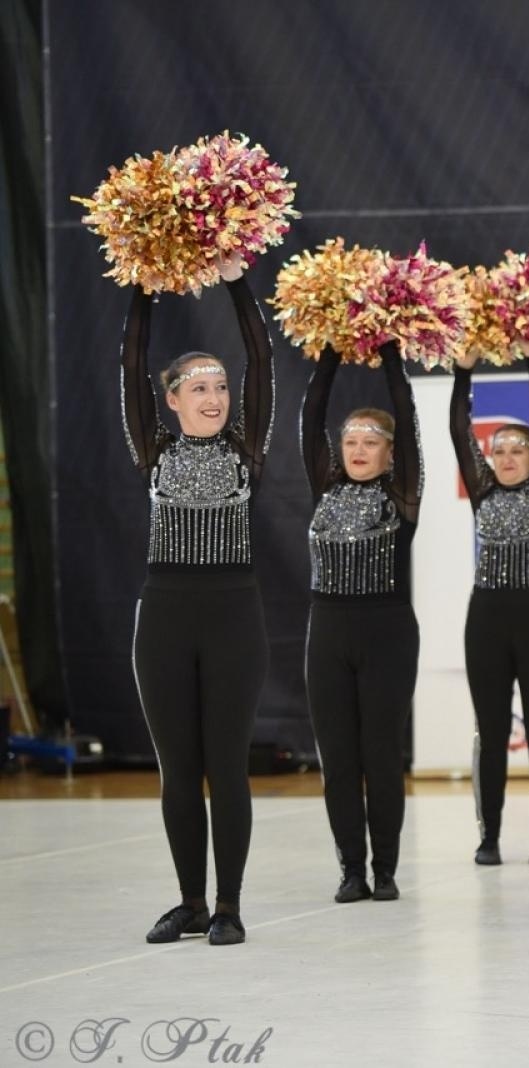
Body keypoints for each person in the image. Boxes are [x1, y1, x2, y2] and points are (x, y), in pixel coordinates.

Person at [124, 254, 272, 947]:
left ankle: (230, 905)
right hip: (164, 618)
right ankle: (188, 900)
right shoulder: (153, 450)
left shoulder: (248, 450)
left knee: (226, 764)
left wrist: (235, 270)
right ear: (173, 401)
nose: (213, 396)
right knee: (178, 767)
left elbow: (261, 355)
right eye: (197, 387)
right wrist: (141, 278)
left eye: (219, 386)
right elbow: (131, 361)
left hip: (233, 617)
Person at [301, 342, 422, 904]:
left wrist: (392, 351)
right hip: (328, 631)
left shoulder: (401, 495)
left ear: (389, 454)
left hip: (387, 633)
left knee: (381, 755)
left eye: (370, 443)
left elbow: (409, 418)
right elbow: (311, 416)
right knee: (339, 758)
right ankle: (350, 867)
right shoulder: (325, 486)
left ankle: (386, 870)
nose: (356, 450)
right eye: (350, 442)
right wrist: (328, 348)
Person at [450, 343, 529, 867]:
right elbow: (460, 432)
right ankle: (490, 836)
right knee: (491, 728)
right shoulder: (482, 491)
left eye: (516, 451)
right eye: (497, 451)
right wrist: (463, 372)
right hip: (488, 617)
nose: (504, 459)